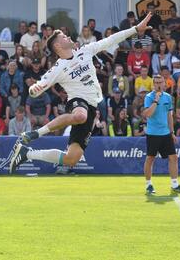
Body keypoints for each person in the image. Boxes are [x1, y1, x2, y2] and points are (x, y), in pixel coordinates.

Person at [9, 12, 152, 174]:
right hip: (77, 102)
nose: (68, 37)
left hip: (91, 107)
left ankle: (26, 154)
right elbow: (37, 87)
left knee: (72, 158)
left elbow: (111, 39)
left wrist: (135, 29)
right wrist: (33, 90)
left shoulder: (85, 51)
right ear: (57, 46)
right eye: (63, 36)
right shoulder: (58, 68)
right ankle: (35, 133)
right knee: (79, 115)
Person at [143, 74, 180, 194]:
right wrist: (156, 100)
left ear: (164, 84)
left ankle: (175, 185)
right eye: (156, 82)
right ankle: (148, 185)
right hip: (153, 134)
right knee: (150, 159)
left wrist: (172, 132)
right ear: (153, 84)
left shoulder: (168, 97)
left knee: (173, 157)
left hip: (166, 134)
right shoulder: (149, 97)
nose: (158, 85)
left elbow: (169, 116)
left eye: (160, 82)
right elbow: (148, 114)